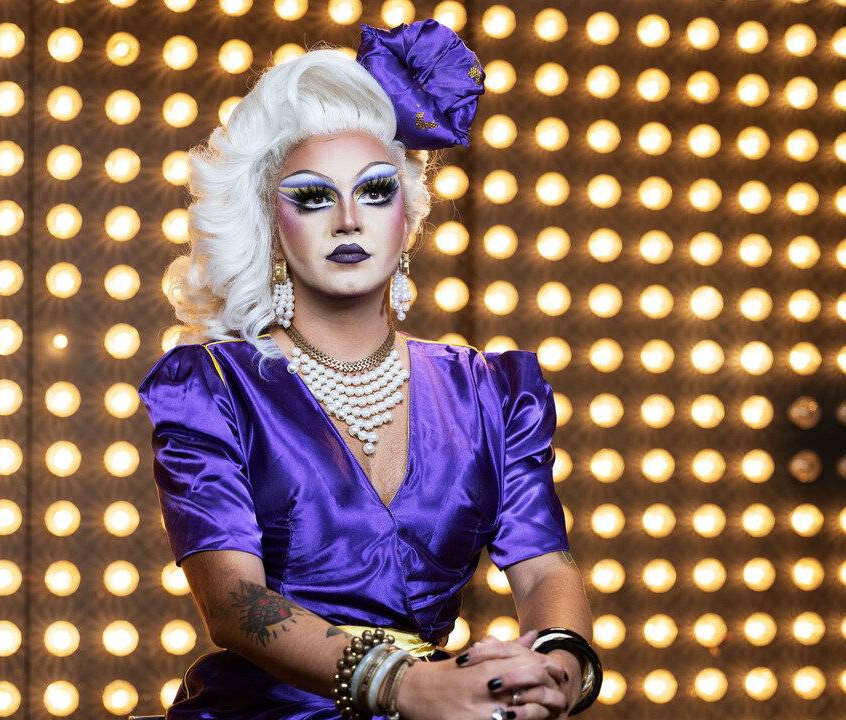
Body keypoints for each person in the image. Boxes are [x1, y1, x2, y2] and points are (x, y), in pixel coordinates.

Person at [136, 19, 602, 720]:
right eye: (313, 196)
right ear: (271, 224)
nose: (349, 218)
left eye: (376, 190)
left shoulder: (492, 392)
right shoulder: (214, 387)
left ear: (406, 218)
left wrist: (558, 671)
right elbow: (233, 601)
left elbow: (544, 570)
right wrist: (407, 685)